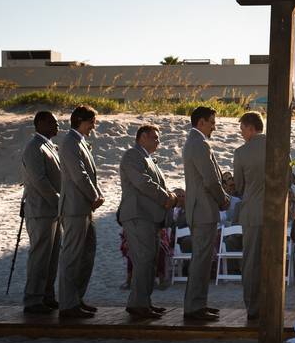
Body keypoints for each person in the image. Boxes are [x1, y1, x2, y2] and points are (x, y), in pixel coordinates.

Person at [118, 125, 177, 319]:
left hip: (149, 217)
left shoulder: (147, 157)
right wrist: (166, 197)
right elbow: (143, 182)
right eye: (155, 138)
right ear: (142, 137)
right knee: (143, 259)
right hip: (138, 215)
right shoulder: (133, 155)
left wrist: (170, 195)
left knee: (150, 260)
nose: (158, 142)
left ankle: (144, 302)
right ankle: (137, 304)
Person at [182, 106, 230, 322]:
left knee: (202, 259)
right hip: (203, 210)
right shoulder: (199, 144)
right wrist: (223, 199)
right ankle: (194, 307)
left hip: (201, 210)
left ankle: (198, 304)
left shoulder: (196, 142)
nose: (214, 125)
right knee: (201, 260)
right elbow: (210, 180)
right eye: (211, 121)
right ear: (200, 122)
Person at [58, 105, 104, 319]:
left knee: (87, 254)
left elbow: (90, 174)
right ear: (79, 120)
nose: (94, 126)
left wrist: (96, 193)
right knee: (72, 256)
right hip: (75, 207)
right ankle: (68, 304)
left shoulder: (80, 142)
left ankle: (77, 298)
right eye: (91, 121)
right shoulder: (69, 143)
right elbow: (79, 175)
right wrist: (95, 195)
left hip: (84, 207)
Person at [21, 111, 62, 314]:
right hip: (41, 210)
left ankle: (47, 295)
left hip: (52, 210)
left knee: (52, 257)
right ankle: (33, 299)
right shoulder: (34, 147)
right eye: (53, 123)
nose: (57, 126)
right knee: (40, 255)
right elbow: (39, 181)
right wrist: (58, 201)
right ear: (41, 123)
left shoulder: (48, 145)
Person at [233, 111, 266, 321]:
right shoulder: (279, 147)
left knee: (251, 263)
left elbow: (238, 185)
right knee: (272, 262)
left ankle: (253, 308)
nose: (241, 133)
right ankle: (271, 304)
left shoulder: (241, 153)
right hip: (275, 215)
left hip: (253, 213)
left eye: (242, 129)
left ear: (251, 127)